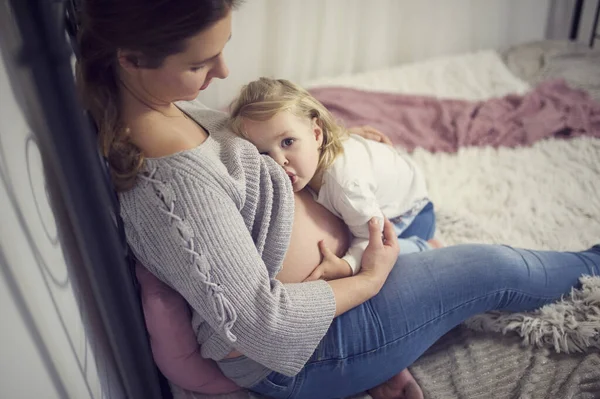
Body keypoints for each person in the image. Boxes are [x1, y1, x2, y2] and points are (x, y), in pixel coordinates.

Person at [76, 1, 600, 398]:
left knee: (424, 230)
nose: (223, 73)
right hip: (308, 351)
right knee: (494, 267)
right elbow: (265, 325)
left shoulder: (168, 106)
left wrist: (338, 143)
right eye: (200, 63)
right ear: (131, 58)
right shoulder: (170, 190)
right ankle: (591, 262)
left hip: (335, 291)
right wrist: (370, 277)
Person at [229, 77, 440, 284]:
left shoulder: (346, 185)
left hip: (412, 215)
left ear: (317, 134)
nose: (278, 161)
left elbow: (376, 241)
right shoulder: (311, 157)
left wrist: (347, 265)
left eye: (288, 142)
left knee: (386, 260)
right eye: (263, 153)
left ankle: (426, 247)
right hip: (393, 189)